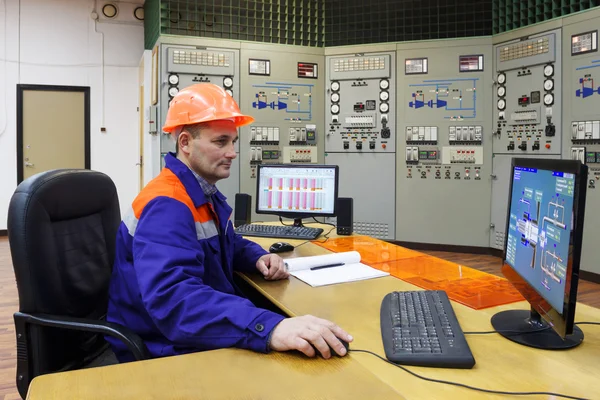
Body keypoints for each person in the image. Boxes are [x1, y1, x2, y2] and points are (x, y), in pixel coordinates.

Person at [106, 83, 352, 363]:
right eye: (220, 142)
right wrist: (268, 326)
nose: (233, 152)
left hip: (183, 330)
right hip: (162, 345)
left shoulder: (198, 192)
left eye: (233, 142)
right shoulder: (167, 205)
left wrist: (258, 256)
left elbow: (224, 242)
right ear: (185, 142)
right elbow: (175, 301)